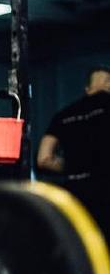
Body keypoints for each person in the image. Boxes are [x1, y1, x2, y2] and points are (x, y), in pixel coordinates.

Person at [37, 65, 110, 238]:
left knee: (85, 246)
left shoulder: (63, 115)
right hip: (106, 192)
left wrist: (75, 167)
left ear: (88, 88)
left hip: (76, 193)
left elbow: (43, 158)